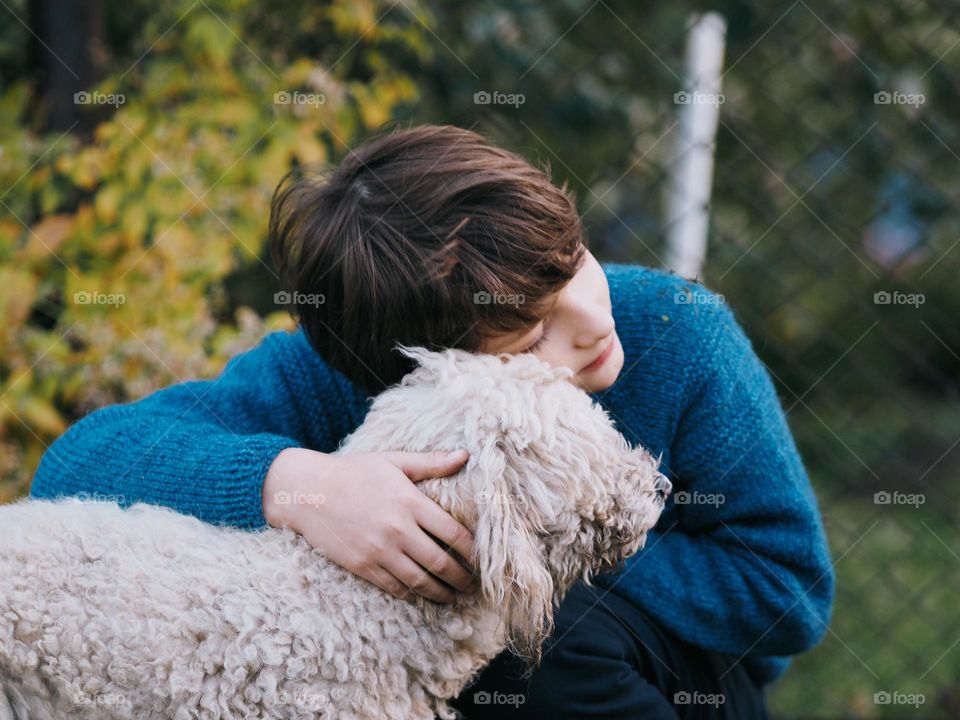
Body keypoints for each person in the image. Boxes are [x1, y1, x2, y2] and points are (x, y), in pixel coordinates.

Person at [30, 124, 834, 718]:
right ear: (434, 370)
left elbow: (789, 589)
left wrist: (539, 546)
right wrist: (302, 485)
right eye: (530, 337)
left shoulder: (679, 332)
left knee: (539, 638)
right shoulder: (342, 368)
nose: (589, 320)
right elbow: (79, 462)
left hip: (668, 684)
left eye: (576, 263)